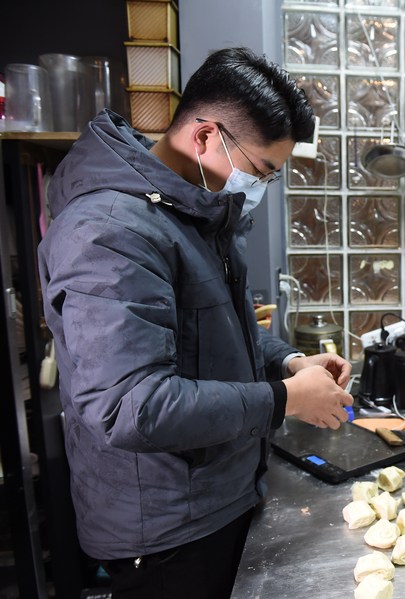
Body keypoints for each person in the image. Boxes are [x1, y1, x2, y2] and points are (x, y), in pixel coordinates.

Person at [38, 48, 353, 598]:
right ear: (206, 136)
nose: (258, 187)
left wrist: (287, 360)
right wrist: (286, 398)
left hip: (217, 497)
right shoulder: (108, 232)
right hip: (163, 529)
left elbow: (217, 328)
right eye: (260, 171)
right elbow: (129, 406)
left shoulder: (190, 209)